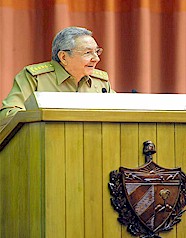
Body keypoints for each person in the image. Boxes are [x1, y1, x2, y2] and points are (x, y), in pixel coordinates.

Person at [0, 26, 115, 122]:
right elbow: (7, 116)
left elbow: (122, 112)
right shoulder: (35, 78)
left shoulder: (101, 83)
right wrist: (42, 116)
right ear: (64, 57)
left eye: (97, 52)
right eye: (88, 53)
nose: (96, 59)